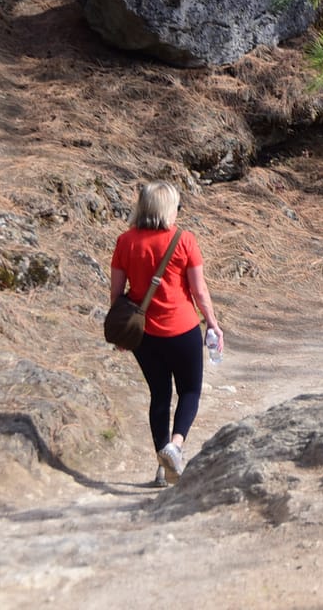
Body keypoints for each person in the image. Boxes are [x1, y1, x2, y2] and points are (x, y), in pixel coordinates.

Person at [109, 180, 223, 486]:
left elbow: (117, 295)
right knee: (189, 391)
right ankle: (176, 446)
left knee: (159, 394)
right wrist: (212, 323)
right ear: (168, 207)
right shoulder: (184, 240)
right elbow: (199, 290)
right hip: (182, 328)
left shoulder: (125, 241)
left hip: (144, 334)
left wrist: (122, 333)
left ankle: (161, 466)